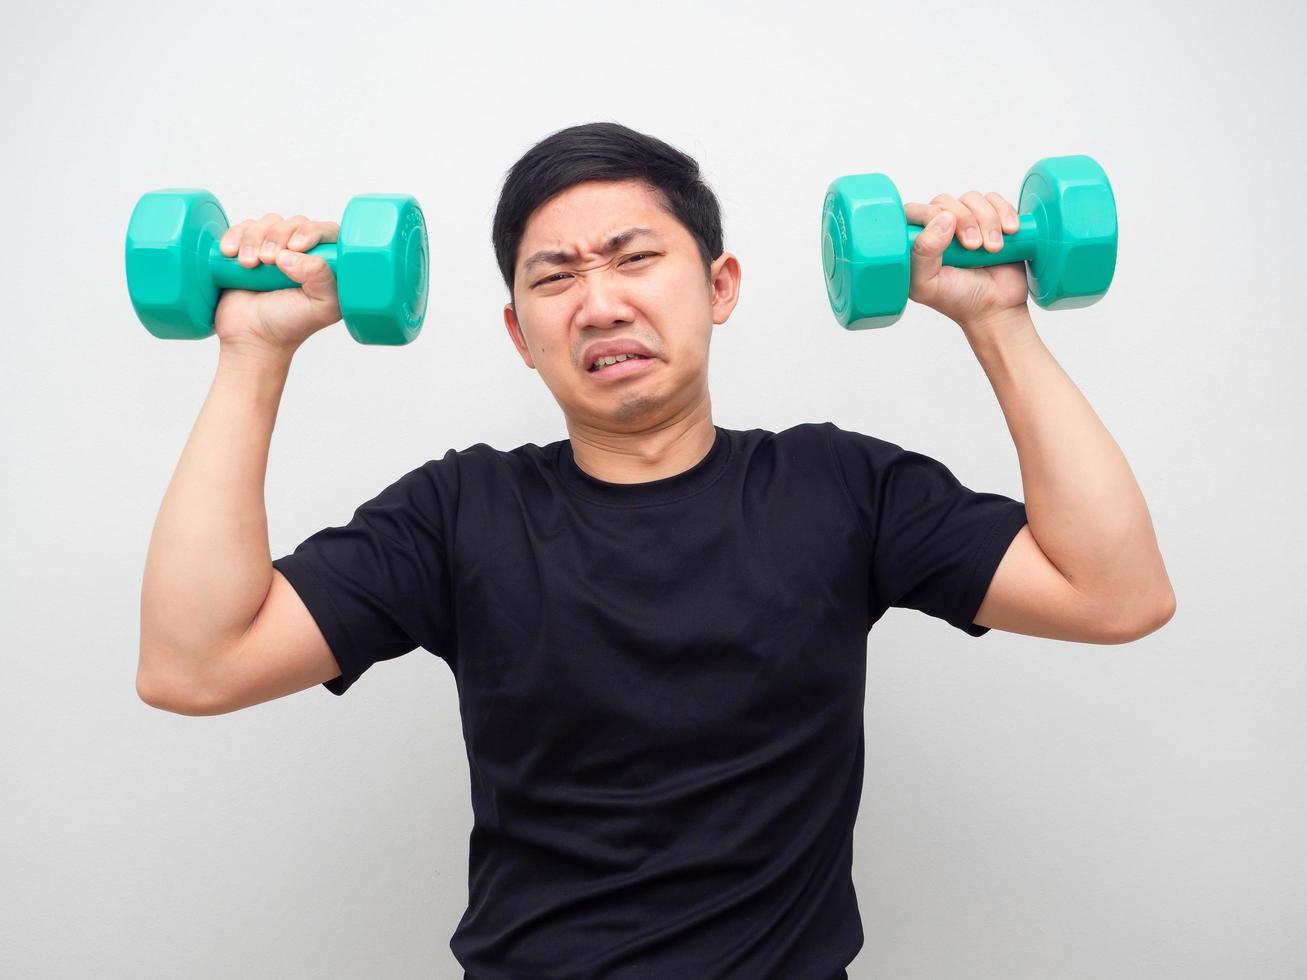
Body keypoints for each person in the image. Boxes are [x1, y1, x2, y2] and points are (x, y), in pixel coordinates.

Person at [137, 122, 1176, 979]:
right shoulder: (462, 510)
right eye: (555, 278)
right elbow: (196, 662)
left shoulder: (839, 486)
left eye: (635, 258)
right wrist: (252, 350)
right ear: (518, 332)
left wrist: (997, 320)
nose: (599, 300)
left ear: (719, 284)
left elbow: (1114, 593)